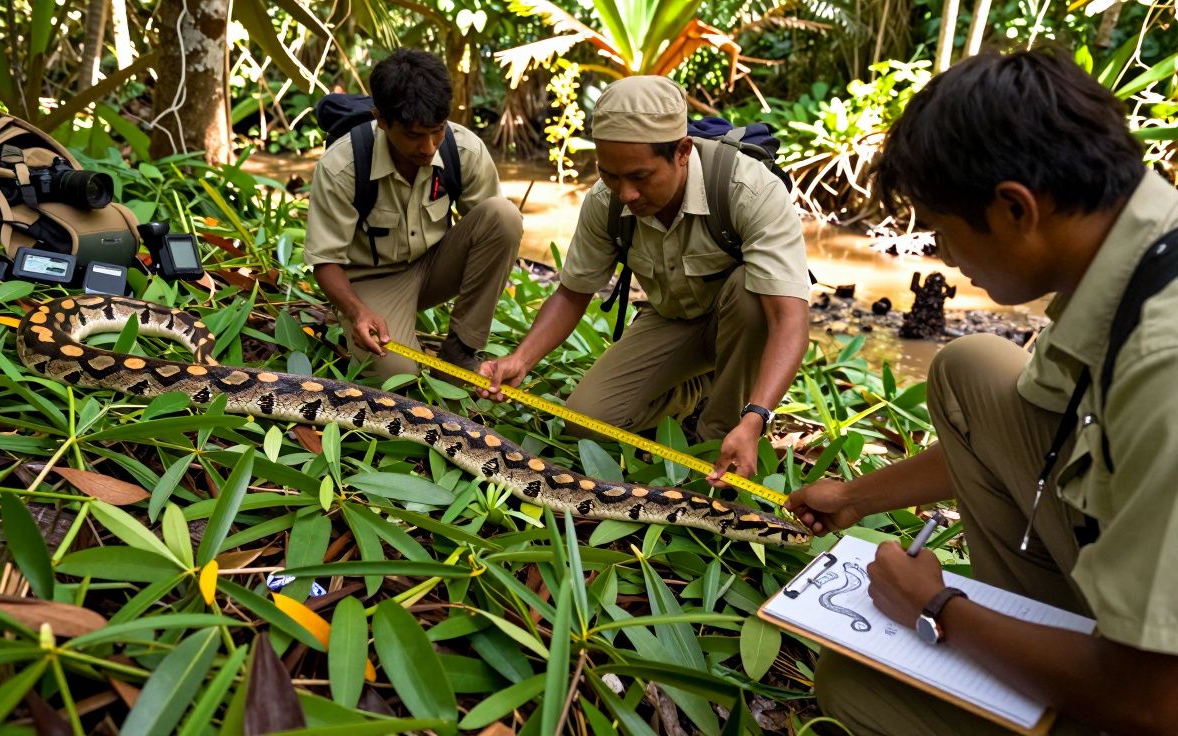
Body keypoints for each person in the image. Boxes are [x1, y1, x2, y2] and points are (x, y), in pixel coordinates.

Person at [787, 47, 1178, 735]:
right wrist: (851, 497)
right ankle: (1042, 640)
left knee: (854, 685)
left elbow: (1155, 703)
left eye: (943, 233)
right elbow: (1022, 426)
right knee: (973, 369)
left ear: (1014, 208)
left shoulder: (1163, 371)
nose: (945, 258)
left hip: (1155, 695)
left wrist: (937, 607)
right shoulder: (1140, 251)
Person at [478, 75, 810, 483]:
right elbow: (571, 293)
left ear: (682, 152)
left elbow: (789, 320)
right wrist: (520, 358)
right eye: (611, 175)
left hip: (743, 325)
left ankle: (720, 431)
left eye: (640, 176)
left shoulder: (748, 190)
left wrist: (757, 416)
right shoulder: (606, 201)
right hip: (672, 320)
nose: (626, 194)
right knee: (586, 423)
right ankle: (694, 391)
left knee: (749, 294)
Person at [304, 49, 523, 379]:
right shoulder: (342, 167)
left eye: (437, 130)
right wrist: (356, 311)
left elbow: (491, 232)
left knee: (504, 217)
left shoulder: (463, 150)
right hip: (372, 280)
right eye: (413, 135)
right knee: (397, 376)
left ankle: (460, 350)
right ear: (381, 119)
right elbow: (324, 260)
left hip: (434, 265)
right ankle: (351, 320)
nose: (429, 146)